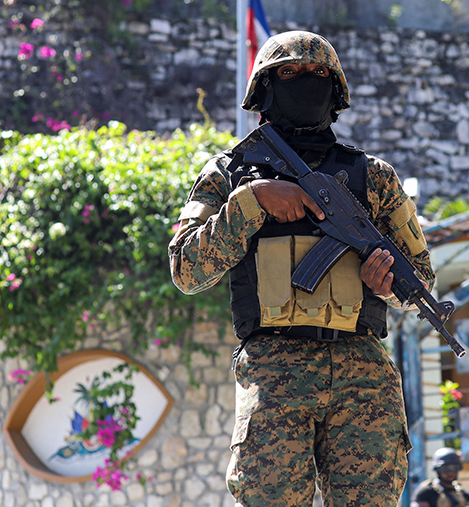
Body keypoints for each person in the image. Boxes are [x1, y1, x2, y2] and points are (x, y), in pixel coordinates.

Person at [169, 30, 434, 507]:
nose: (305, 82)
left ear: (335, 91)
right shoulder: (229, 173)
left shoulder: (374, 177)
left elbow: (420, 279)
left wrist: (389, 284)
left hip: (363, 373)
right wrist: (251, 202)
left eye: (318, 74)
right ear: (265, 89)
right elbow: (187, 270)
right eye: (289, 73)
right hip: (274, 370)